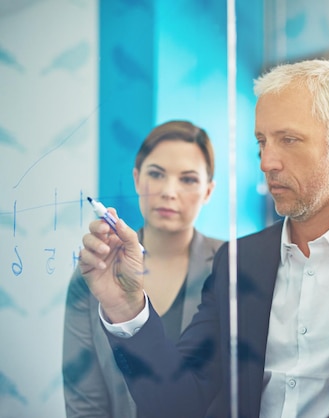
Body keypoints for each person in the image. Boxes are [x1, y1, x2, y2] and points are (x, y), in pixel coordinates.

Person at [76, 59, 329, 418]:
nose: (267, 162)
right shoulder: (238, 262)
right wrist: (126, 306)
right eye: (262, 141)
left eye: (289, 140)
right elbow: (177, 403)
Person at [63, 121, 224, 417]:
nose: (168, 192)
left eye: (188, 180)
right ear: (137, 179)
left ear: (208, 191)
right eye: (156, 174)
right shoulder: (96, 272)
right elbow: (83, 400)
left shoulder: (230, 268)